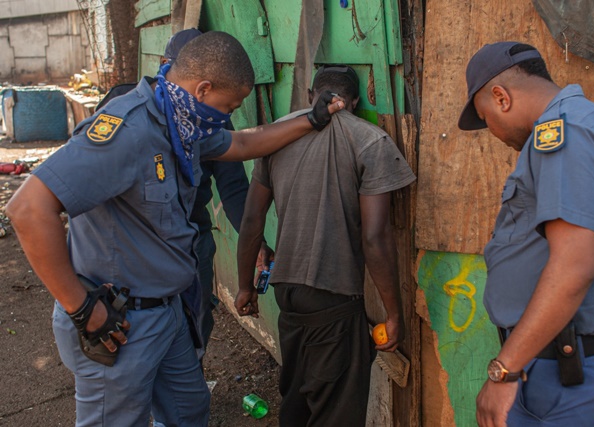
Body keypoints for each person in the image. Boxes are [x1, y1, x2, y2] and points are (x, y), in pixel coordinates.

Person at [6, 31, 343, 426]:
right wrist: (81, 308)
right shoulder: (127, 131)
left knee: (189, 411)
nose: (227, 115)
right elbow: (27, 209)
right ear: (203, 89)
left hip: (169, 312)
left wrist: (310, 120)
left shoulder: (182, 122)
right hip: (121, 322)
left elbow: (240, 144)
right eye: (228, 105)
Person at [458, 41, 594, 427]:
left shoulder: (562, 132)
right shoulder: (579, 122)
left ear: (501, 97)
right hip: (552, 362)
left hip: (562, 369)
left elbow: (574, 267)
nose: (493, 132)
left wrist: (504, 370)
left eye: (486, 118)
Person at [234, 65, 416, 426]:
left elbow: (252, 219)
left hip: (287, 293)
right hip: (333, 297)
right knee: (336, 411)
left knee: (296, 400)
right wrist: (394, 314)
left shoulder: (276, 135)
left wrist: (244, 287)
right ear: (355, 101)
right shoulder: (369, 140)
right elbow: (374, 238)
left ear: (310, 96)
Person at [97, 28, 259, 359]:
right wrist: (78, 300)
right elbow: (64, 193)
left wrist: (255, 244)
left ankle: (187, 380)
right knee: (135, 331)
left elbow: (234, 184)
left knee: (193, 326)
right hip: (133, 247)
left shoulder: (211, 118)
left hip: (191, 240)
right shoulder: (124, 108)